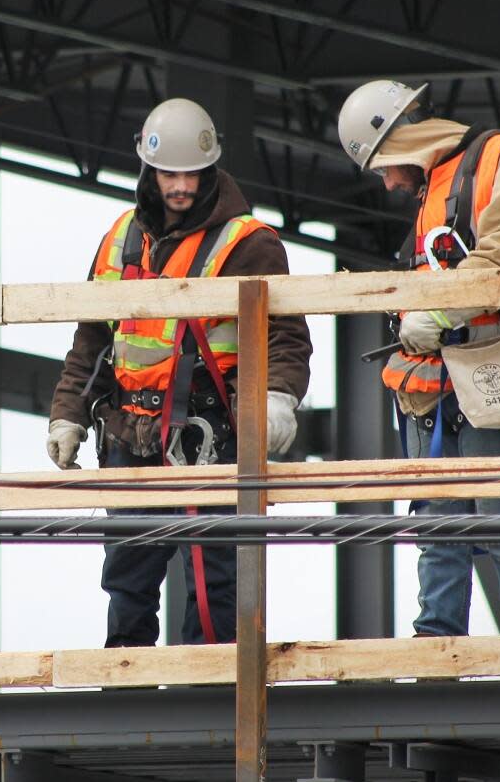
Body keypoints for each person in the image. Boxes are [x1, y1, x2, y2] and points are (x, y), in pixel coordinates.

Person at [47, 98, 312, 647]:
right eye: (169, 174)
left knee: (214, 579)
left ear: (210, 169)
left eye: (192, 174)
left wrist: (278, 397)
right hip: (128, 433)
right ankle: (127, 693)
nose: (181, 187)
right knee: (127, 578)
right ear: (148, 169)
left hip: (205, 436)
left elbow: (285, 336)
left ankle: (209, 704)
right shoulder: (121, 237)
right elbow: (94, 337)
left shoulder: (249, 243)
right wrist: (68, 414)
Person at [337, 79, 500, 637]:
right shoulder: (433, 187)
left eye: (386, 166)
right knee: (440, 536)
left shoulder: (498, 157)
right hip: (431, 391)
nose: (391, 182)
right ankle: (437, 665)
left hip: (492, 381)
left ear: (404, 141)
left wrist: (440, 313)